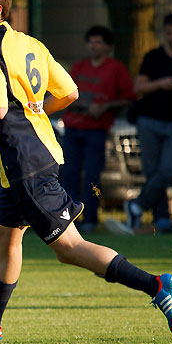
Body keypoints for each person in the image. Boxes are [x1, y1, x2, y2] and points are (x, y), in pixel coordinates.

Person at [0, 0, 172, 342]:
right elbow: (69, 92)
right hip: (37, 155)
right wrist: (36, 109)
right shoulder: (29, 43)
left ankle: (156, 285)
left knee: (69, 249)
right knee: (5, 236)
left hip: (24, 163)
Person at [106, 13, 172, 235]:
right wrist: (161, 83)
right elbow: (139, 88)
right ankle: (161, 219)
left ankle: (137, 205)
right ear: (164, 33)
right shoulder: (154, 56)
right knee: (152, 171)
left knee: (170, 168)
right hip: (150, 121)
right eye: (169, 32)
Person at [60, 26, 136, 233]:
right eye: (91, 41)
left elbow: (129, 97)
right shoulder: (79, 67)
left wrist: (105, 107)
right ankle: (69, 219)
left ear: (108, 47)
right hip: (74, 127)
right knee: (69, 174)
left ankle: (91, 217)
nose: (93, 46)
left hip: (97, 130)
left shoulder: (116, 69)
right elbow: (66, 94)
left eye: (98, 42)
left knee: (93, 175)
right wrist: (84, 106)